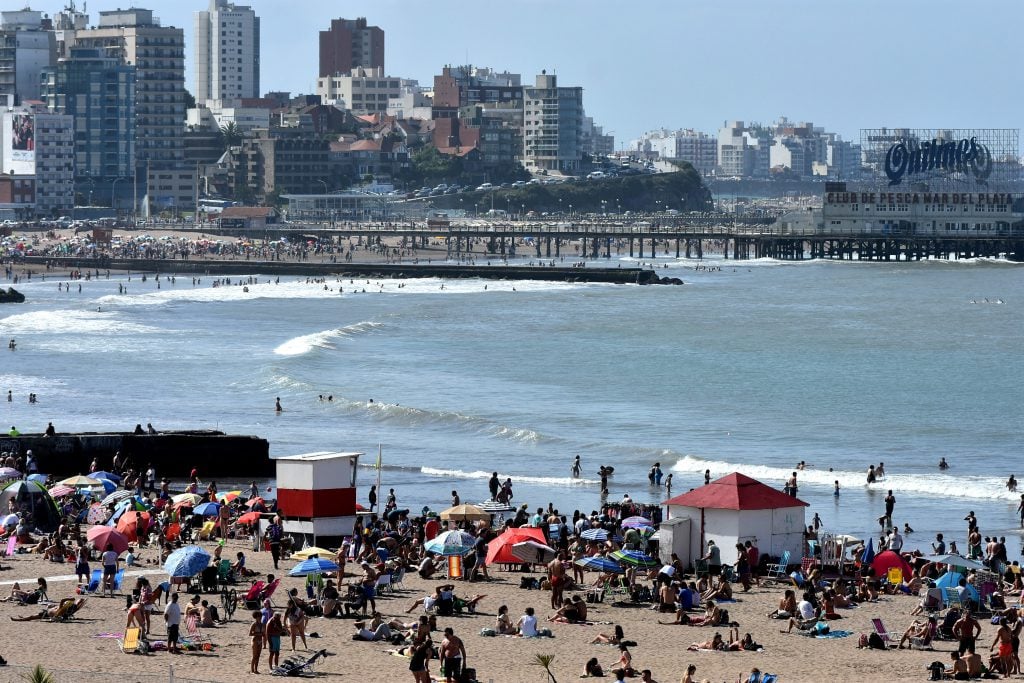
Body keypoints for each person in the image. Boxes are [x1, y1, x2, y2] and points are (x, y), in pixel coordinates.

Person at [249, 610, 263, 674]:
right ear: (256, 617)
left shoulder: (262, 624)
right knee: (254, 656)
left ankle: (256, 669)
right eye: (258, 616)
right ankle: (252, 670)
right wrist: (258, 634)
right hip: (255, 640)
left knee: (258, 655)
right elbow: (250, 634)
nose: (260, 617)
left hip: (260, 640)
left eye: (260, 616)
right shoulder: (254, 624)